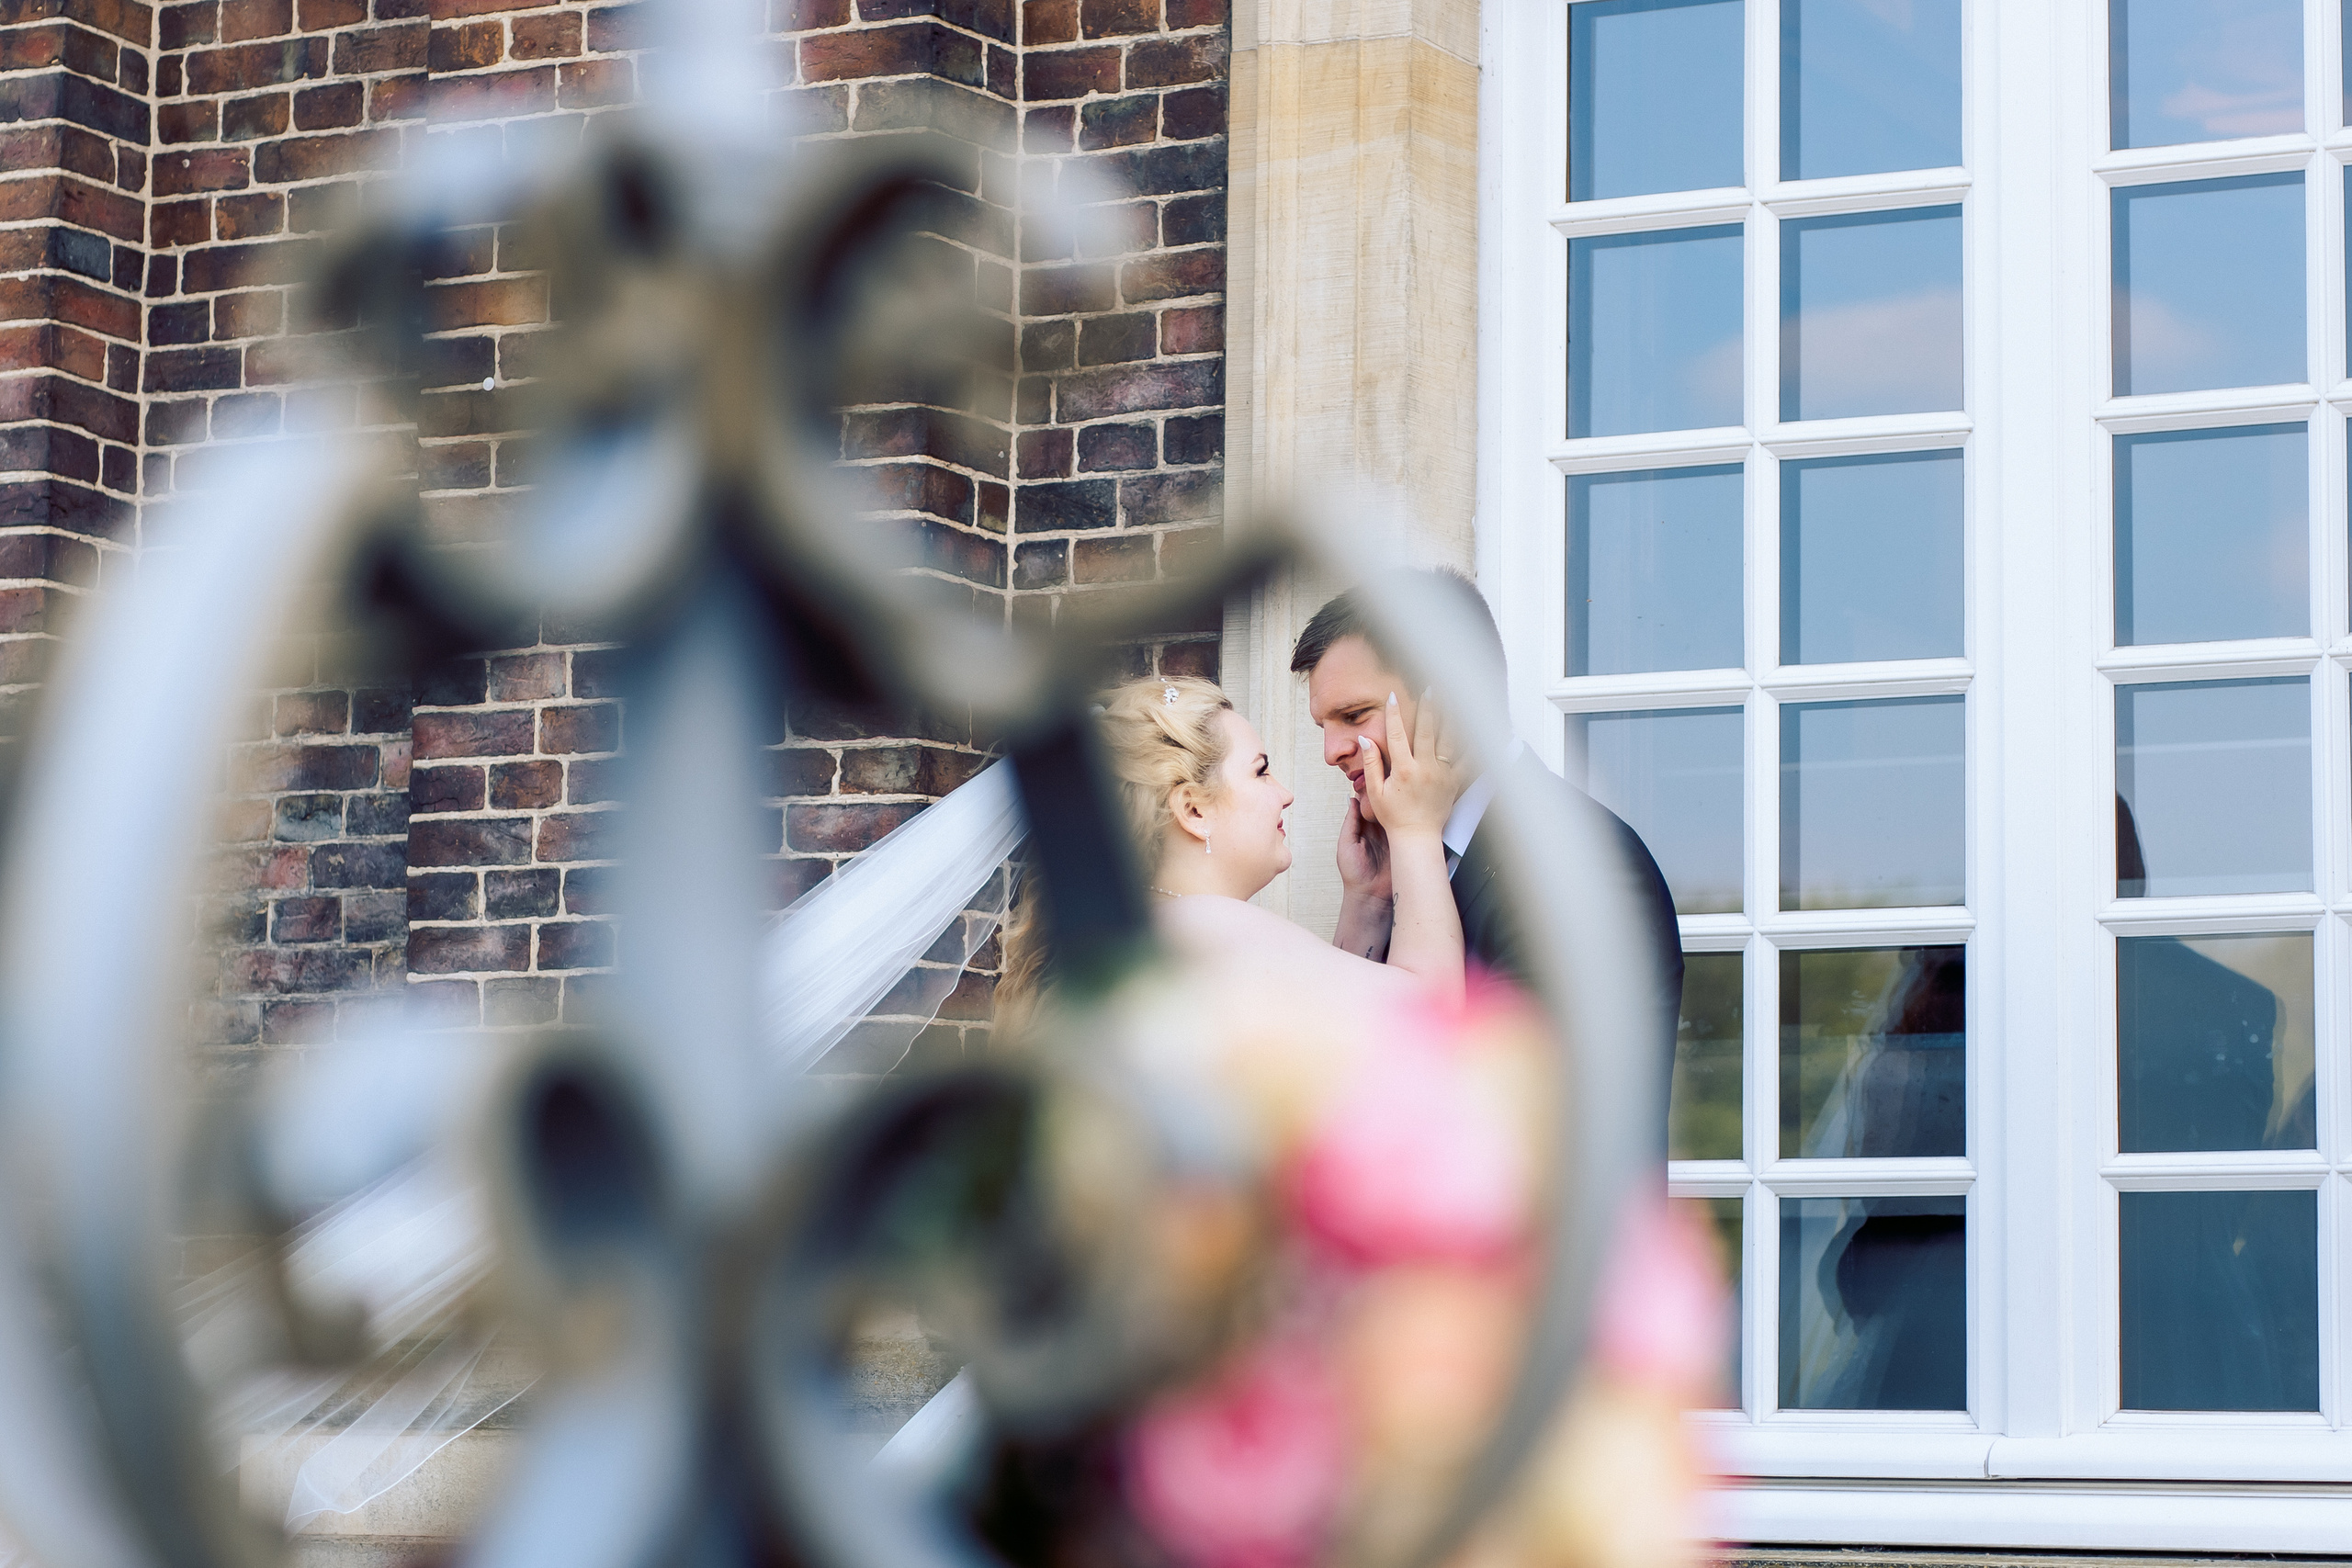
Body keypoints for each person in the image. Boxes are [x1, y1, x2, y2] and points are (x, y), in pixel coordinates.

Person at [1288, 571, 1684, 1077]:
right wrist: (1367, 901)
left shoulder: (1582, 869)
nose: (1332, 752)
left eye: (1355, 715)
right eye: (1324, 727)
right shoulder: (1403, 863)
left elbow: (1508, 1118)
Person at [998, 676, 1468, 1024]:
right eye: (1261, 771)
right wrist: (1414, 829)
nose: (1285, 793)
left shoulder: (1152, 932)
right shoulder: (1202, 927)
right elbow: (1429, 1020)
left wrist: (1365, 901)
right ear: (1194, 810)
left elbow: (1339, 1035)